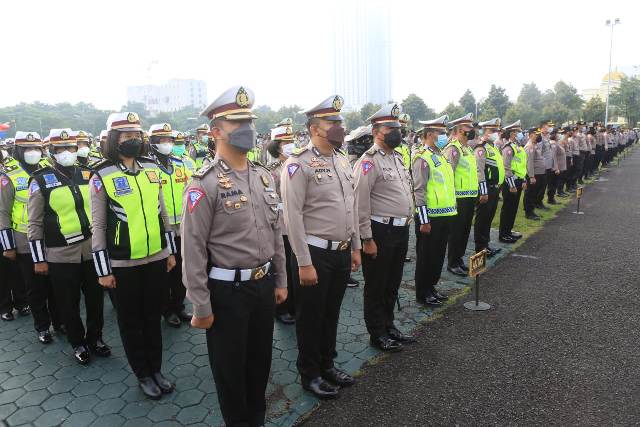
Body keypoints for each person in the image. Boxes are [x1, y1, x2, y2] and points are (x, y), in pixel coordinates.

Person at [182, 86, 287, 426]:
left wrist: (281, 279)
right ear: (215, 132)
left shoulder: (262, 176)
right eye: (237, 123)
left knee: (260, 364)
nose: (248, 130)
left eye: (250, 122)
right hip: (227, 293)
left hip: (262, 285)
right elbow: (193, 249)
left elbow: (275, 232)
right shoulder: (204, 184)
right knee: (230, 372)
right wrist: (200, 304)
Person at [90, 112, 176, 399]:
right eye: (126, 137)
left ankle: (157, 369)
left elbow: (162, 212)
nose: (133, 140)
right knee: (131, 322)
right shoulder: (102, 174)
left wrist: (170, 252)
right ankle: (143, 373)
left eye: (136, 135)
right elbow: (99, 225)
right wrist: (103, 269)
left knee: (152, 318)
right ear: (115, 140)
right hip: (122, 262)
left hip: (155, 258)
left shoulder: (152, 168)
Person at [281, 94, 362, 399]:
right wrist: (303, 261)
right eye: (333, 122)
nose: (340, 126)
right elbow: (292, 216)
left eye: (341, 121)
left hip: (341, 250)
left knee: (331, 313)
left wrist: (355, 245)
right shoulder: (297, 164)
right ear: (315, 128)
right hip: (314, 253)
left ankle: (328, 365)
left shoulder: (341, 160)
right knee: (311, 316)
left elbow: (350, 206)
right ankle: (310, 374)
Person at [28, 128, 110, 364]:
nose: (67, 153)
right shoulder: (41, 180)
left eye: (71, 148)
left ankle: (96, 338)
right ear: (52, 152)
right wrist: (39, 259)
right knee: (68, 302)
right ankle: (78, 343)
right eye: (61, 149)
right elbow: (34, 222)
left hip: (91, 249)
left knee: (95, 300)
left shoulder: (88, 173)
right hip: (60, 253)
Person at [354, 103, 415, 352]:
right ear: (377, 130)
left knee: (392, 283)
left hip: (400, 230)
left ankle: (389, 326)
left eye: (398, 128)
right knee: (376, 285)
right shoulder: (368, 162)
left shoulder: (398, 158)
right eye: (391, 127)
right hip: (380, 232)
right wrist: (367, 239)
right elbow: (360, 202)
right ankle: (377, 333)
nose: (396, 132)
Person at [0, 131, 61, 343]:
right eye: (27, 148)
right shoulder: (9, 175)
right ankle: (42, 327)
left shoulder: (49, 169)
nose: (32, 152)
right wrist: (8, 246)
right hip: (24, 239)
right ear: (18, 151)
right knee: (35, 287)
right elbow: (3, 213)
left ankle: (59, 321)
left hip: (52, 236)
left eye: (36, 148)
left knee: (55, 284)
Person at [148, 123, 193, 328]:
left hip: (182, 224)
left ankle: (179, 305)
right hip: (161, 226)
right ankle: (166, 310)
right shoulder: (148, 167)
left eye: (169, 140)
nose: (167, 144)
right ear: (153, 143)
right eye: (162, 140)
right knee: (165, 269)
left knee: (182, 267)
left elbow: (189, 188)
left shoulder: (180, 163)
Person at [412, 115, 457, 306]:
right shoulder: (422, 158)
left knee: (438, 255)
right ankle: (423, 292)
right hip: (430, 217)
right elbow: (419, 190)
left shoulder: (441, 156)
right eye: (440, 133)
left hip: (445, 214)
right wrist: (424, 220)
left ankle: (432, 287)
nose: (444, 136)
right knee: (426, 257)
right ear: (430, 134)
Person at [443, 113, 482, 276]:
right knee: (456, 232)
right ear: (459, 130)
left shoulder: (467, 148)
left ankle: (458, 260)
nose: (471, 130)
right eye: (468, 128)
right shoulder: (453, 148)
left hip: (469, 196)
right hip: (459, 197)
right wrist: (451, 198)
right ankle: (452, 263)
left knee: (465, 230)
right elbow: (449, 174)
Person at [266, 123, 296, 325]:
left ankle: (294, 304)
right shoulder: (271, 171)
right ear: (277, 146)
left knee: (296, 267)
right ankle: (281, 308)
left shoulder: (299, 163)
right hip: (282, 224)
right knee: (282, 266)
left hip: (299, 223)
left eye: (291, 141)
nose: (290, 145)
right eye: (286, 142)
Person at [473, 118, 504, 257]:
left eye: (496, 130)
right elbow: (479, 171)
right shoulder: (481, 147)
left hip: (495, 187)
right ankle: (480, 248)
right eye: (492, 130)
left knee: (489, 218)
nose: (496, 133)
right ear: (484, 131)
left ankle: (486, 245)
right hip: (487, 189)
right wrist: (483, 191)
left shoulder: (493, 147)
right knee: (482, 219)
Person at [499, 120, 527, 242]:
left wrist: (524, 179)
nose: (518, 133)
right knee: (508, 208)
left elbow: (521, 164)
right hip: (511, 183)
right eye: (516, 131)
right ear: (511, 133)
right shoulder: (508, 148)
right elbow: (507, 167)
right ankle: (503, 234)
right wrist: (511, 185)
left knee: (513, 208)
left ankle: (509, 230)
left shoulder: (516, 145)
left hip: (518, 180)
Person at [524, 128, 544, 220]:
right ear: (531, 135)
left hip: (538, 174)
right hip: (534, 174)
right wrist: (531, 176)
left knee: (534, 193)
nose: (538, 136)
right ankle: (529, 213)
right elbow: (529, 163)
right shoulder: (530, 147)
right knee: (530, 194)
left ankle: (531, 211)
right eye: (537, 134)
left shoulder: (534, 145)